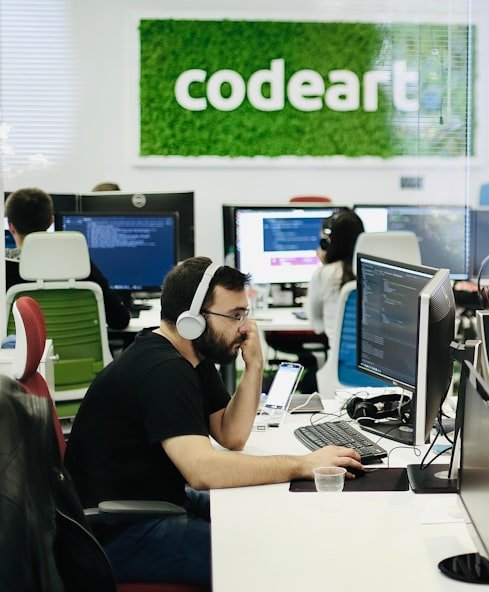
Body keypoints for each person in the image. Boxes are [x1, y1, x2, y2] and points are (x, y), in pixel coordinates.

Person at [64, 257, 364, 587]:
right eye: (235, 316)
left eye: (245, 315)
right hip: (118, 532)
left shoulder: (191, 355)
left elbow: (231, 435)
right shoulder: (163, 370)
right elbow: (202, 471)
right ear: (193, 319)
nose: (245, 328)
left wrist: (254, 366)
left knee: (267, 516)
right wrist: (301, 464)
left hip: (154, 503)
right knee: (266, 556)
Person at [4, 187, 130, 330]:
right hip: (82, 352)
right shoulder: (78, 263)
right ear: (51, 221)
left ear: (10, 226)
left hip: (24, 352)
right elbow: (120, 320)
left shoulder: (4, 268)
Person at [306, 209, 365, 349]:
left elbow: (317, 325)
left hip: (338, 363)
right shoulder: (371, 273)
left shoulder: (323, 274)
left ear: (329, 244)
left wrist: (325, 265)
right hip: (370, 361)